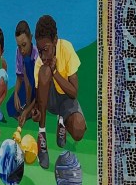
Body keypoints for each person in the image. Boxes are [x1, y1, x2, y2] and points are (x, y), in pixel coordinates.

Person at [19, 14, 86, 169]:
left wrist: (55, 72)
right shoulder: (39, 63)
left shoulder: (67, 49)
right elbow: (39, 98)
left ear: (55, 40)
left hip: (66, 99)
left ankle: (62, 120)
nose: (42, 56)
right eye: (39, 51)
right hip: (49, 100)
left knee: (78, 129)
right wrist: (32, 111)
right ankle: (41, 136)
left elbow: (74, 93)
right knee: (44, 71)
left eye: (46, 50)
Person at [7, 20, 38, 120]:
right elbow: (19, 77)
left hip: (37, 88)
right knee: (10, 107)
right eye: (19, 46)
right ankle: (26, 113)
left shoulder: (37, 54)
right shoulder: (19, 52)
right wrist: (16, 93)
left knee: (28, 62)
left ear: (30, 38)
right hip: (26, 87)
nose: (22, 50)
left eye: (24, 45)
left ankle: (30, 109)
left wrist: (28, 108)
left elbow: (40, 87)